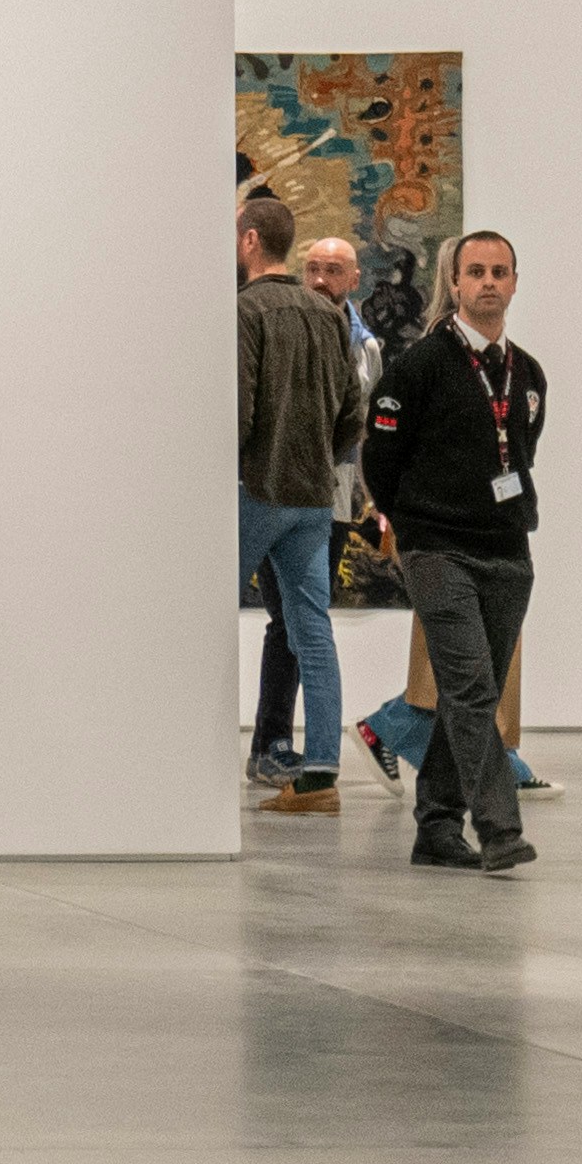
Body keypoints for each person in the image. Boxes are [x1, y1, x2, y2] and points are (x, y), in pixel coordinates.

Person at [361, 227, 550, 876]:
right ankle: (500, 829)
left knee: (471, 694)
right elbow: (381, 456)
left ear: (515, 283)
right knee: (471, 691)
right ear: (456, 283)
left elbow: (522, 452)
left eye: (500, 272)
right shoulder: (420, 366)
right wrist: (409, 524)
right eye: (476, 272)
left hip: (507, 552)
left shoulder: (528, 373)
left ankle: (438, 828)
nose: (488, 282)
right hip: (438, 549)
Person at [232, 184, 361, 811]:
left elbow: (239, 409)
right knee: (313, 630)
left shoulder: (246, 311)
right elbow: (353, 412)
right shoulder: (329, 315)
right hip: (313, 498)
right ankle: (320, 774)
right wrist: (319, 460)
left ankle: (184, 761)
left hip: (257, 491)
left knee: (202, 615)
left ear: (251, 240)